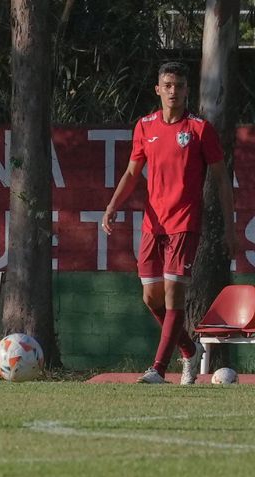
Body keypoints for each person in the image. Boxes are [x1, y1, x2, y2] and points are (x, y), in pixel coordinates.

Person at [101, 61, 239, 385]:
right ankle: (190, 350)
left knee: (174, 294)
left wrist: (231, 229)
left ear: (187, 90)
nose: (173, 91)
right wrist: (111, 206)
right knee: (151, 298)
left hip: (184, 223)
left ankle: (159, 368)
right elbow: (133, 173)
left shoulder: (200, 130)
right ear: (158, 89)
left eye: (179, 85)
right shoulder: (145, 126)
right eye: (168, 85)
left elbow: (221, 181)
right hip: (154, 225)